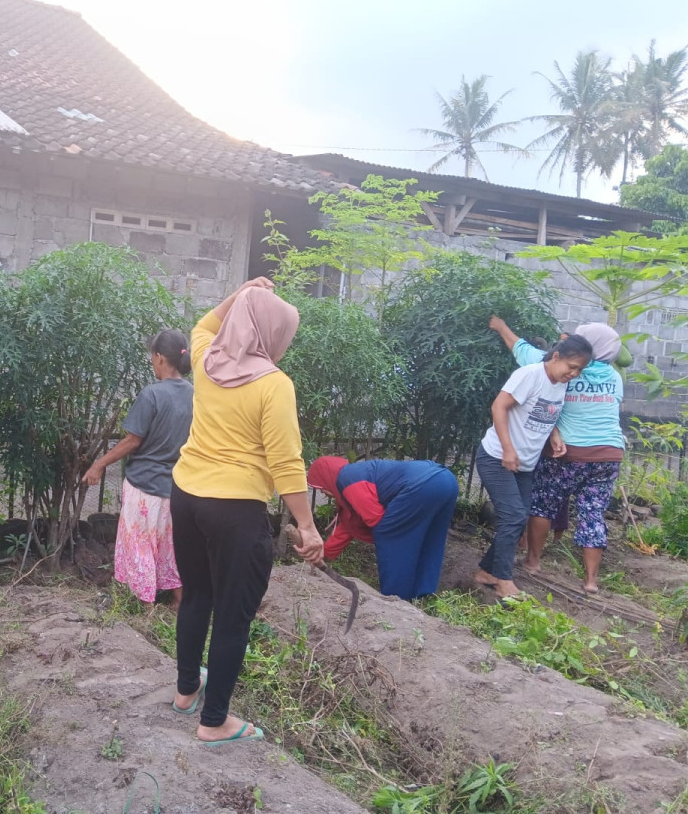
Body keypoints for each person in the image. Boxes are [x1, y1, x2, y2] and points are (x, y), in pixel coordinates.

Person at [168, 277, 324, 747]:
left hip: (186, 495)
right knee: (234, 616)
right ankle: (214, 721)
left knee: (196, 596)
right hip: (235, 510)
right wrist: (307, 526)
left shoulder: (206, 360)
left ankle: (186, 691)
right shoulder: (273, 384)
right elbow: (286, 462)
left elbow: (203, 325)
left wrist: (241, 293)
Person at [490, 317, 625, 594]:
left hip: (570, 452)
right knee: (593, 513)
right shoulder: (614, 377)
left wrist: (501, 327)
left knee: (543, 504)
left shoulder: (566, 366)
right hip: (609, 454)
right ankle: (590, 581)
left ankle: (533, 561)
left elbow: (522, 349)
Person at [474, 334, 592, 599]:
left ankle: (486, 571)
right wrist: (507, 449)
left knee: (520, 518)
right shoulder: (530, 375)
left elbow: (544, 412)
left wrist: (555, 435)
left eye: (579, 370)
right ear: (556, 356)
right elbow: (499, 406)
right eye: (572, 367)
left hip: (525, 464)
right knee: (513, 516)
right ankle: (504, 580)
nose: (574, 374)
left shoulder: (559, 384)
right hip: (497, 457)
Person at [82, 329, 193, 607]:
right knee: (169, 545)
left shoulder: (152, 394)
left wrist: (98, 464)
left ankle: (145, 604)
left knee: (140, 543)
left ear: (159, 357)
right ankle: (179, 602)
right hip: (176, 487)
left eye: (151, 357)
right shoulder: (194, 395)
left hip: (144, 486)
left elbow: (133, 440)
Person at [307, 456, 458, 601]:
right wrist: (322, 556)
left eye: (320, 486)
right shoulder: (356, 476)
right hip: (446, 481)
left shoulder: (348, 480)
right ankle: (422, 592)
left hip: (423, 485)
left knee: (387, 532)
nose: (322, 492)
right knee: (430, 537)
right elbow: (348, 527)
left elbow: (375, 518)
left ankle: (396, 597)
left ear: (326, 477)